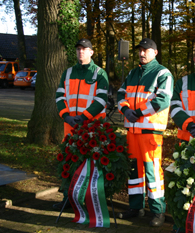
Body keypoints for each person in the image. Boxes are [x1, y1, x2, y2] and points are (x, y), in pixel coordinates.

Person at [116, 38, 174, 227]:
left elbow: (163, 101)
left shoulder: (162, 73)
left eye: (146, 50)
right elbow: (120, 94)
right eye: (140, 50)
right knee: (134, 172)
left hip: (150, 133)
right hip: (133, 131)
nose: (142, 53)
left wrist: (138, 113)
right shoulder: (133, 73)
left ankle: (158, 212)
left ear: (155, 52)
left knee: (153, 173)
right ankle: (135, 207)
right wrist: (125, 110)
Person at [54, 38, 109, 210]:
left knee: (91, 164)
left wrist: (84, 117)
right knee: (69, 162)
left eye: (84, 49)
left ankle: (90, 201)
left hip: (91, 127)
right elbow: (60, 96)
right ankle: (68, 199)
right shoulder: (68, 72)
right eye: (78, 49)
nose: (81, 52)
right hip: (70, 126)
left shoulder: (99, 73)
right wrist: (66, 116)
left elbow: (101, 99)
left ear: (91, 52)